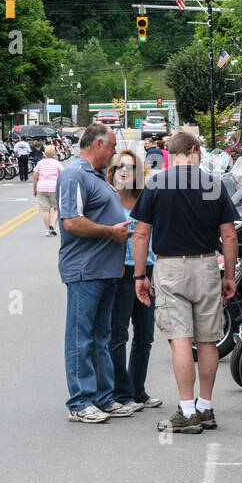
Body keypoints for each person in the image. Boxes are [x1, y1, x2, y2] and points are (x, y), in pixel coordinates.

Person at [131, 130, 239, 435]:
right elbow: (229, 235)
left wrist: (140, 275)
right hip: (206, 264)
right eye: (200, 151)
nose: (201, 155)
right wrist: (229, 275)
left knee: (180, 338)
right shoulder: (211, 184)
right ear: (191, 150)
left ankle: (187, 410)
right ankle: (205, 407)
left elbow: (141, 234)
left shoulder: (157, 184)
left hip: (169, 268)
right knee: (207, 340)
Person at [55, 122, 136, 423]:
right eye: (112, 146)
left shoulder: (97, 175)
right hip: (85, 270)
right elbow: (71, 221)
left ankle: (104, 397)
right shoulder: (75, 174)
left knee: (101, 338)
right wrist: (110, 233)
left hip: (106, 270)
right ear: (98, 144)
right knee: (81, 338)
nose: (114, 153)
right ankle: (80, 401)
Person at [107, 150, 161, 411]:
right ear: (113, 172)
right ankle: (121, 392)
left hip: (146, 271)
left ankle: (138, 390)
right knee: (117, 336)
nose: (124, 171)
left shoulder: (146, 199)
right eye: (119, 167)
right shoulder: (108, 201)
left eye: (129, 167)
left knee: (145, 335)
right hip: (119, 273)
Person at [33, 144, 62, 235]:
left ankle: (48, 230)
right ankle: (53, 224)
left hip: (41, 187)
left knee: (46, 210)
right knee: (57, 208)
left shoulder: (40, 163)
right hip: (54, 187)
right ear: (53, 153)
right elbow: (62, 176)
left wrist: (35, 189)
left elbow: (35, 178)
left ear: (45, 153)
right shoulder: (57, 163)